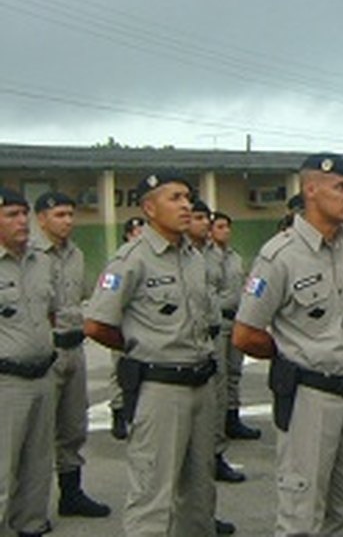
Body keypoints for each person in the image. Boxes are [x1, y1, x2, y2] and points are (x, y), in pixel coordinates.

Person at [84, 172, 234, 536]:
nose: (186, 205)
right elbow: (97, 324)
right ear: (149, 208)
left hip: (201, 382)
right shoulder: (131, 259)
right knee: (153, 496)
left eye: (188, 197)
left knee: (200, 493)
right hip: (159, 388)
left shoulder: (194, 257)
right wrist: (141, 344)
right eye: (175, 198)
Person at [233, 153, 343, 536]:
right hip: (310, 395)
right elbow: (245, 333)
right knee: (302, 511)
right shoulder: (279, 255)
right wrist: (290, 357)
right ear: (310, 189)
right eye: (341, 187)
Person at [33, 192, 112, 518]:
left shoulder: (76, 254)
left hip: (74, 348)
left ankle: (71, 494)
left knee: (73, 426)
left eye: (70, 214)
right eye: (59, 214)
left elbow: (79, 300)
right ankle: (29, 507)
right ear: (41, 219)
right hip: (44, 353)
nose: (67, 221)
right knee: (36, 433)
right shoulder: (30, 255)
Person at [0, 187, 55, 537]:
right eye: (11, 215)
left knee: (38, 462)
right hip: (6, 381)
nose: (22, 221)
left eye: (24, 214)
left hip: (43, 374)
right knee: (2, 464)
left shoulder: (41, 261)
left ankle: (30, 523)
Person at [186, 199, 246, 484]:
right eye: (199, 218)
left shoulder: (207, 255)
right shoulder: (190, 256)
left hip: (218, 329)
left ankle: (215, 455)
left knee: (220, 393)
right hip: (193, 339)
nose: (204, 224)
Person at [209, 211, 259, 440]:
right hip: (218, 322)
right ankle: (217, 425)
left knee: (234, 373)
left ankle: (232, 417)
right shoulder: (205, 257)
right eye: (219, 226)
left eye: (227, 227)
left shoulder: (234, 257)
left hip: (236, 319)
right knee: (218, 375)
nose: (225, 231)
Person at [108, 216, 147, 441]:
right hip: (122, 323)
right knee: (119, 370)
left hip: (142, 326)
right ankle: (118, 411)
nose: (139, 235)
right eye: (135, 232)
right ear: (127, 235)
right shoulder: (121, 260)